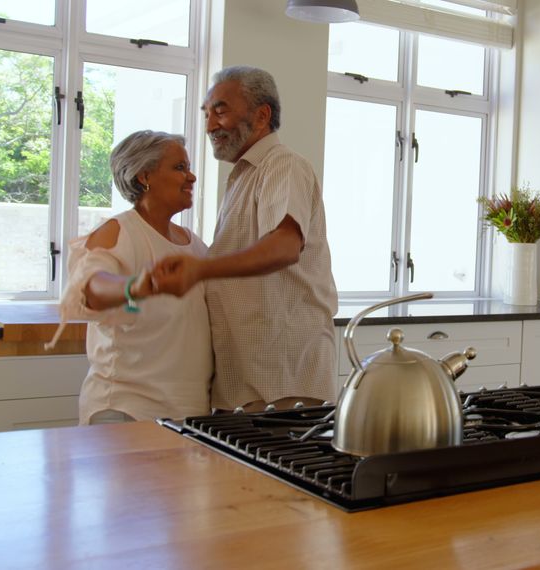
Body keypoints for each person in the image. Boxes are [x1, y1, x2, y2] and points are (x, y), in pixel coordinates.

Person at [153, 66, 338, 411]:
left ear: (262, 114)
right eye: (206, 114)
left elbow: (284, 247)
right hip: (244, 380)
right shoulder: (242, 177)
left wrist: (200, 270)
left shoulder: (283, 165)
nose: (209, 126)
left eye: (220, 111)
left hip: (281, 380)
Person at [53, 130, 213, 425]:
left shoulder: (193, 244)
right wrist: (134, 286)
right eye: (179, 168)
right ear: (144, 176)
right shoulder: (118, 231)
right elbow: (90, 286)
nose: (191, 177)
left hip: (186, 416)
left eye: (188, 168)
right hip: (126, 410)